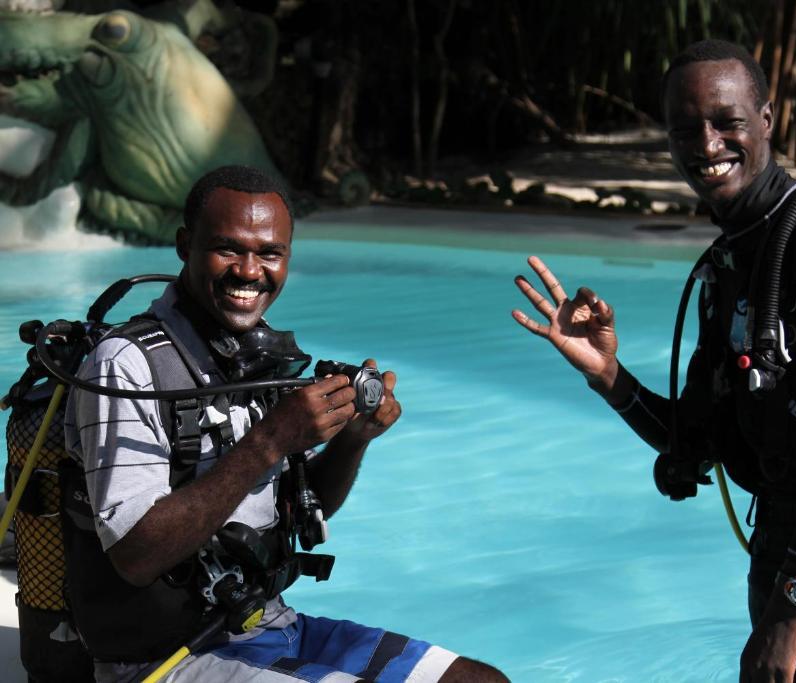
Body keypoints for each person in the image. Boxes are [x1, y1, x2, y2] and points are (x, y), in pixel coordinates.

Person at [512, 40, 796, 683]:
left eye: (726, 121)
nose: (705, 145)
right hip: (789, 549)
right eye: (684, 128)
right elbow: (695, 441)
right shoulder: (731, 263)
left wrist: (793, 605)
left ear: (766, 120)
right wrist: (608, 376)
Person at [64, 165, 509, 683]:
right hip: (162, 658)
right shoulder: (125, 365)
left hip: (266, 625)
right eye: (229, 249)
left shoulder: (259, 357)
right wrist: (271, 439)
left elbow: (303, 515)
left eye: (269, 253)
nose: (250, 271)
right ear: (185, 245)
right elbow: (135, 556)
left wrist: (353, 439)